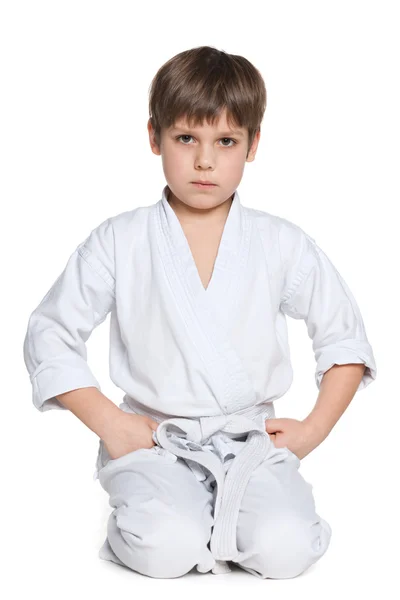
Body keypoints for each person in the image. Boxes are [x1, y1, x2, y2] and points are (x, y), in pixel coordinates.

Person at [23, 45, 377, 579]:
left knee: (286, 549)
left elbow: (345, 339)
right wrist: (111, 423)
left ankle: (230, 516)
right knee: (165, 548)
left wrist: (312, 430)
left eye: (226, 141)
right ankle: (169, 518)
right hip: (154, 442)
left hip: (250, 443)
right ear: (153, 136)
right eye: (186, 138)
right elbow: (50, 332)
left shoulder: (280, 243)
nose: (205, 160)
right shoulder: (121, 240)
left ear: (253, 145)